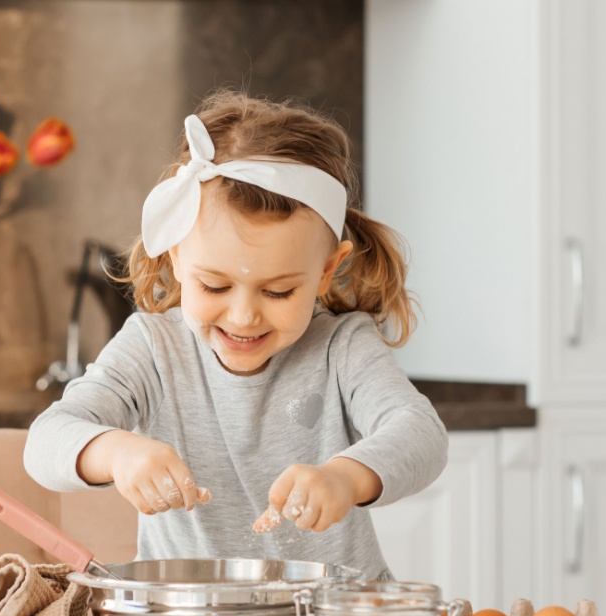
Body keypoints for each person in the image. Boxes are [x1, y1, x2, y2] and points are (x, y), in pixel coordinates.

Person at [23, 89, 447, 580]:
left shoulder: (342, 347)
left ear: (328, 271)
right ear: (176, 257)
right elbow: (44, 442)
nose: (244, 316)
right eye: (215, 285)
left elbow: (422, 434)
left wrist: (346, 478)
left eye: (279, 291)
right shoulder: (153, 347)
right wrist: (118, 453)